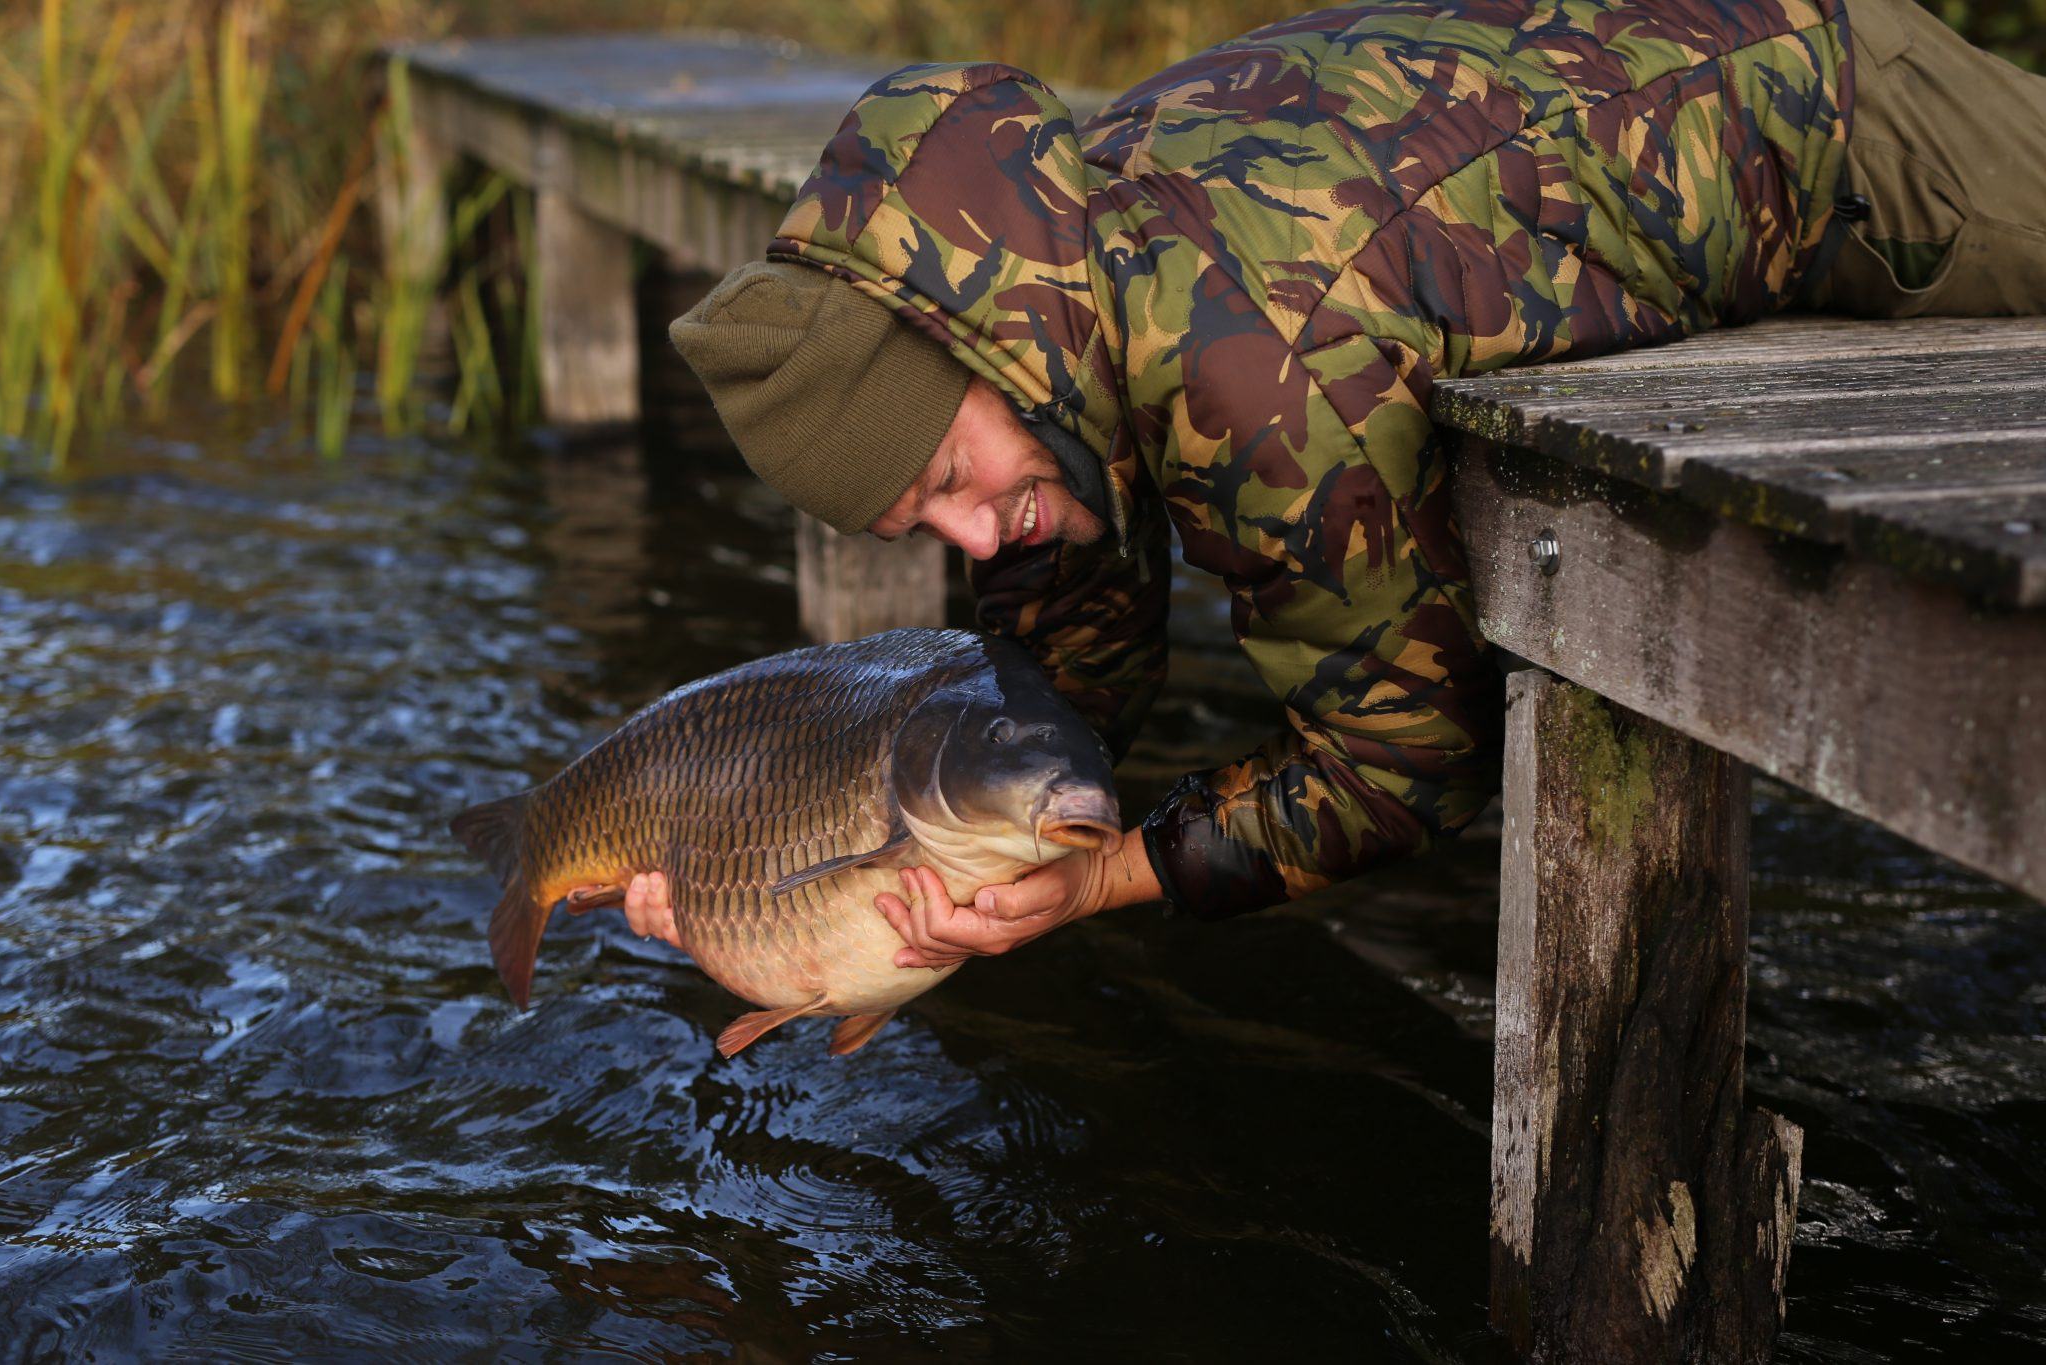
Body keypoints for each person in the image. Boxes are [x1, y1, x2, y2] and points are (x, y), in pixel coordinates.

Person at [633, 0, 2046, 971]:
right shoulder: (1061, 266)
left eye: (950, 477)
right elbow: (1070, 624)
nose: (971, 534)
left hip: (1844, 113)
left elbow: (1412, 757)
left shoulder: (1255, 373)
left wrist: (1105, 876)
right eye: (920, 525)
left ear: (983, 352)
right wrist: (870, 847)